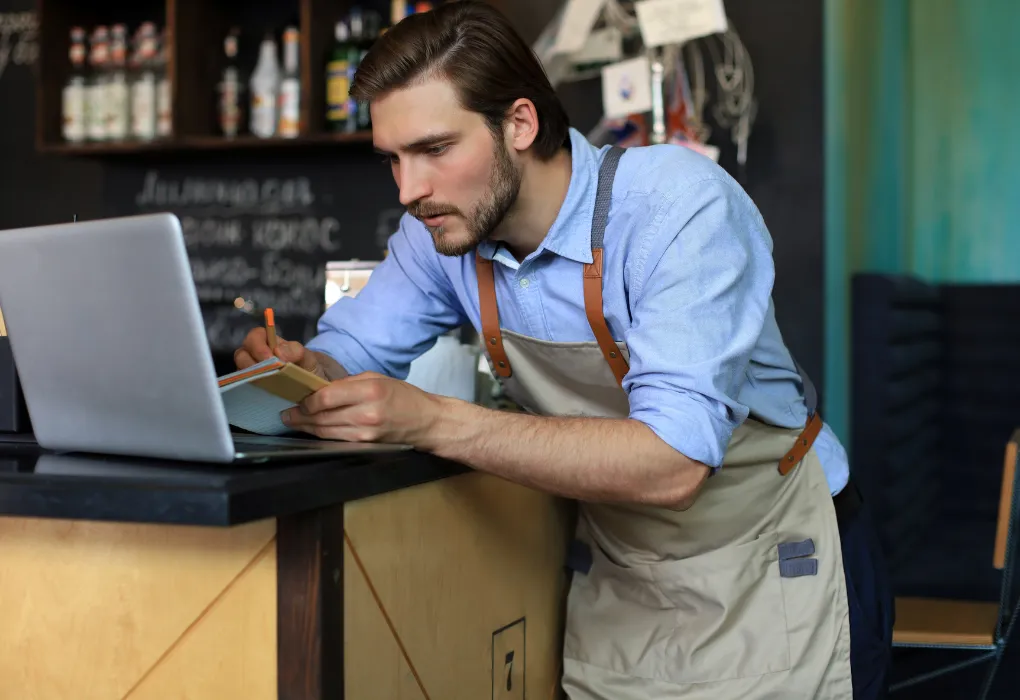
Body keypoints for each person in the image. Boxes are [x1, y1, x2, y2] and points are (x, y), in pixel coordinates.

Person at [234, 2, 893, 697]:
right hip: (623, 577)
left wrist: (431, 420)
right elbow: (351, 352)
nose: (410, 190)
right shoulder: (442, 234)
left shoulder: (678, 209)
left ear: (519, 123)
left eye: (433, 150)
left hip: (772, 565)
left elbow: (674, 463)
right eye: (393, 159)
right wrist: (302, 372)